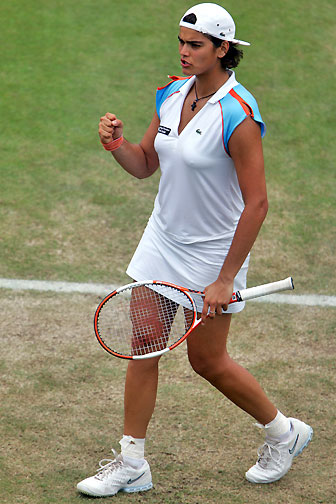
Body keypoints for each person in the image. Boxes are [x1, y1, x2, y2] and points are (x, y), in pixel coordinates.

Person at [77, 3, 313, 497]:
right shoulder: (170, 93)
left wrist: (225, 278)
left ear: (223, 50)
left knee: (208, 362)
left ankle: (283, 432)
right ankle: (132, 462)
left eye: (196, 44)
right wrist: (117, 145)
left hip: (214, 253)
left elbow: (258, 204)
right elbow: (145, 165)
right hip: (162, 239)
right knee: (143, 348)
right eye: (182, 42)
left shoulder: (238, 114)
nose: (184, 52)